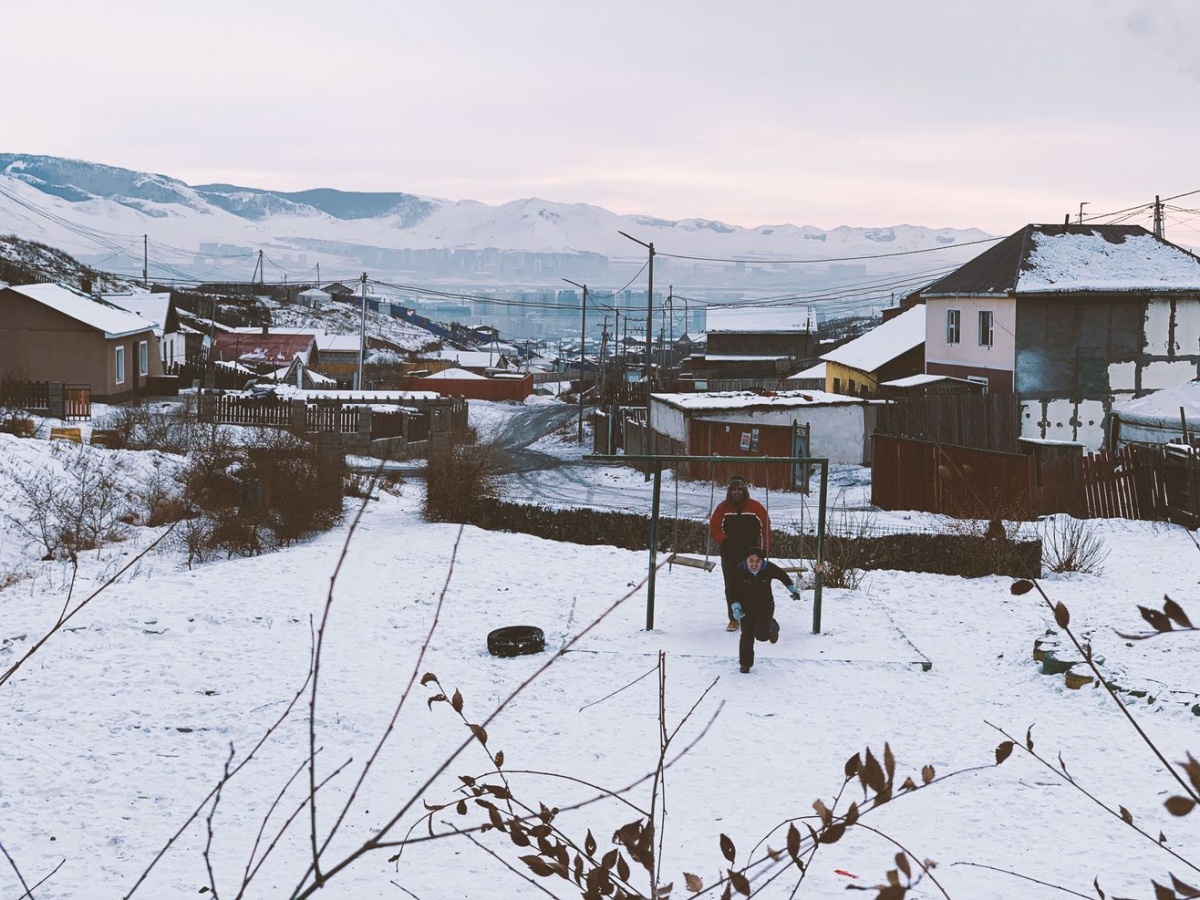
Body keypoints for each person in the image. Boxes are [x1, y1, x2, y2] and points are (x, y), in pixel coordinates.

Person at [709, 475, 770, 631]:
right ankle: (734, 618)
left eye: (739, 489)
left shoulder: (755, 508)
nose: (737, 492)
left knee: (753, 587)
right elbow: (714, 528)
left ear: (745, 491)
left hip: (751, 557)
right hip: (729, 555)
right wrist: (725, 541)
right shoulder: (723, 508)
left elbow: (765, 528)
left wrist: (762, 551)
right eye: (733, 489)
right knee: (731, 587)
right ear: (729, 492)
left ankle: (753, 617)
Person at [730, 547, 801, 674]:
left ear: (762, 561)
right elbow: (731, 590)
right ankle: (745, 664)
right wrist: (735, 606)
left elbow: (782, 575)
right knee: (747, 635)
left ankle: (772, 627)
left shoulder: (768, 568)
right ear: (746, 561)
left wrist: (792, 589)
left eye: (758, 561)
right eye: (751, 561)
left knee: (761, 636)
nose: (754, 564)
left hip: (765, 607)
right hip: (746, 608)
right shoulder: (739, 570)